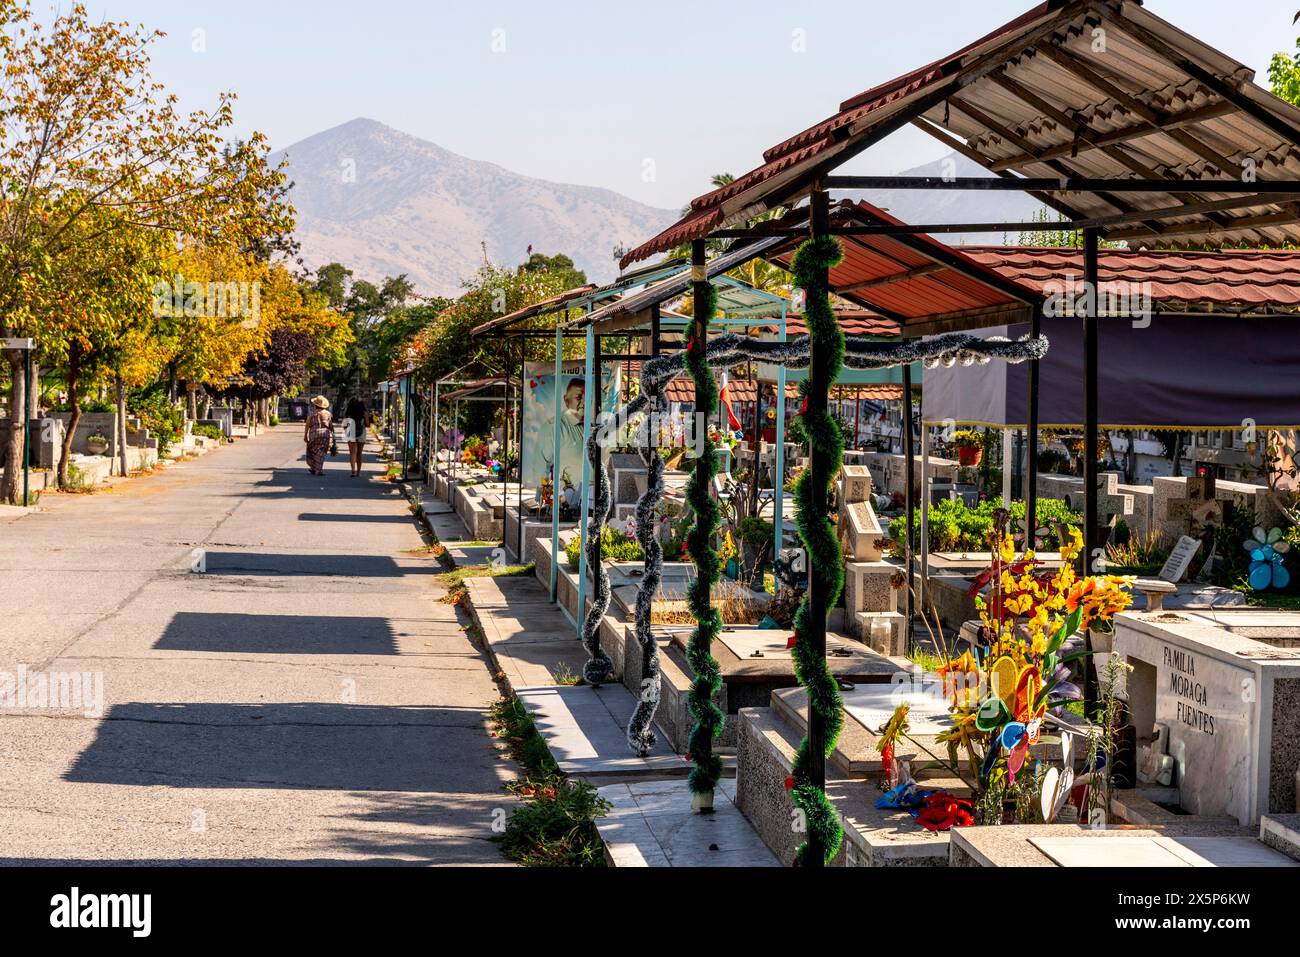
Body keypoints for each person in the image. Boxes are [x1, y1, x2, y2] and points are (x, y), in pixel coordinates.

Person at [304, 395, 332, 475]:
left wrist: (305, 435)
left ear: (315, 405)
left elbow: (307, 425)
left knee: (312, 450)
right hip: (325, 434)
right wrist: (333, 436)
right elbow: (330, 425)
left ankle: (315, 468)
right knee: (321, 452)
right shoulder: (328, 413)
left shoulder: (312, 413)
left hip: (314, 434)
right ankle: (317, 469)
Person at [344, 396, 367, 477]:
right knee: (359, 453)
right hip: (361, 432)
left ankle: (353, 470)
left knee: (352, 453)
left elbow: (345, 425)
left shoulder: (348, 413)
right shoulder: (364, 412)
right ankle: (358, 472)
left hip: (351, 431)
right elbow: (367, 424)